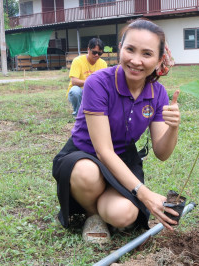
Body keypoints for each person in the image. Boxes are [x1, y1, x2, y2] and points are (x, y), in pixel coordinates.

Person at [53, 18, 179, 243]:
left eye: (147, 54)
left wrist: (173, 127)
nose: (136, 61)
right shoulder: (98, 83)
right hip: (85, 156)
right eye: (130, 49)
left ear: (159, 60)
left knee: (124, 216)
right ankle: (92, 215)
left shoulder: (158, 93)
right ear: (120, 48)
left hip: (124, 159)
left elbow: (162, 153)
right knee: (87, 173)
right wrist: (145, 194)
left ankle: (103, 202)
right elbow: (103, 151)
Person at [66, 38, 108, 117]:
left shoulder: (103, 64)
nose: (96, 55)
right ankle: (78, 114)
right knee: (75, 91)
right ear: (88, 49)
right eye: (94, 52)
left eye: (99, 53)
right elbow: (74, 81)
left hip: (94, 93)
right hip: (80, 92)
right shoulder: (78, 61)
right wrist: (91, 82)